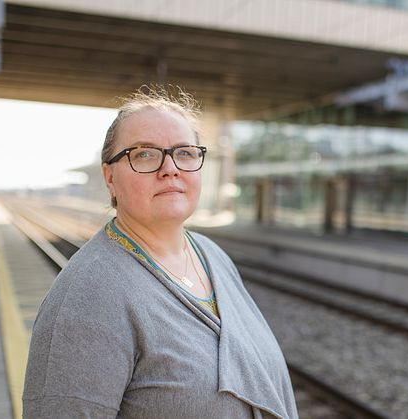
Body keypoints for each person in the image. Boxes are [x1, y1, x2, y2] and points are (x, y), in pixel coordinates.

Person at [22, 87, 298, 419]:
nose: (170, 168)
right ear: (110, 177)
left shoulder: (212, 255)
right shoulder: (86, 299)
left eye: (185, 152)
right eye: (145, 154)